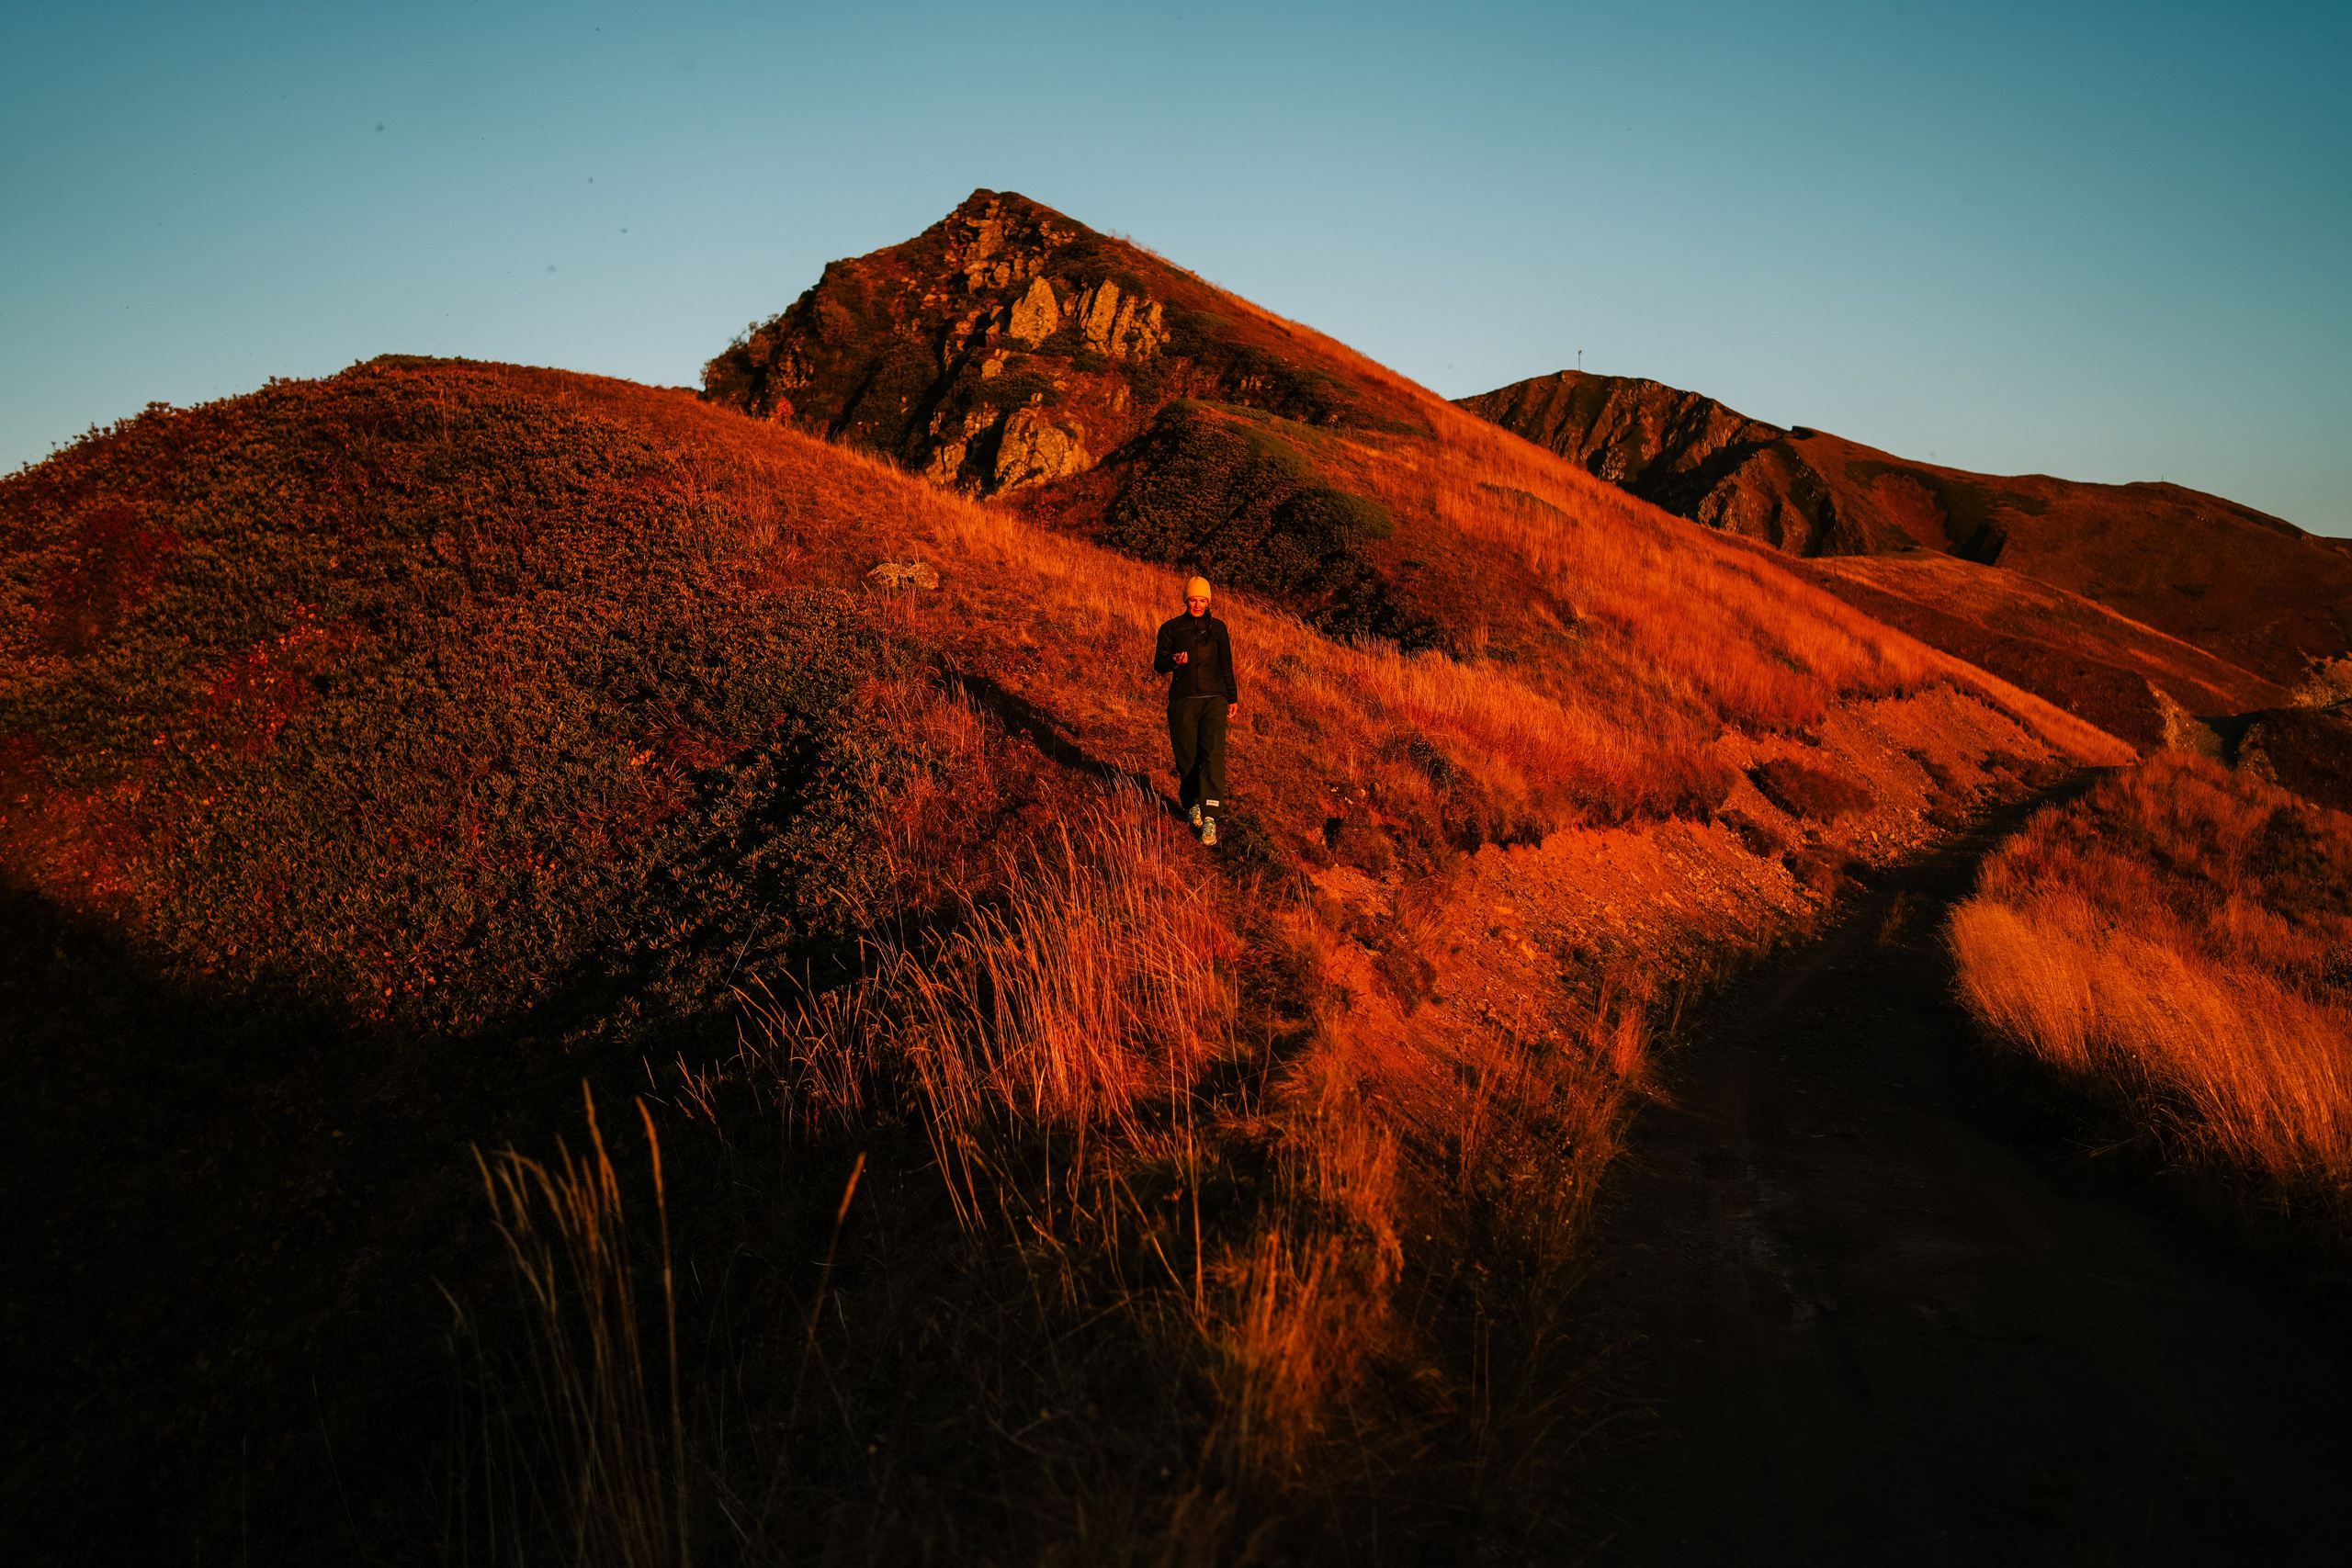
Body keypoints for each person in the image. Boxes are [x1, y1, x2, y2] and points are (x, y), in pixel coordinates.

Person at [1153, 575, 1239, 845]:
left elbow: (1226, 664)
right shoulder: (1171, 629)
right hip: (1182, 700)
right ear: (1186, 600)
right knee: (1187, 757)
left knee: (1212, 756)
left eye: (1203, 600)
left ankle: (1211, 816)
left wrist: (1232, 697)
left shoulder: (1219, 629)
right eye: (1193, 599)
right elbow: (1159, 663)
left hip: (1214, 699)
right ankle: (1191, 804)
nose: (1198, 604)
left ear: (1209, 602)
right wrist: (1173, 661)